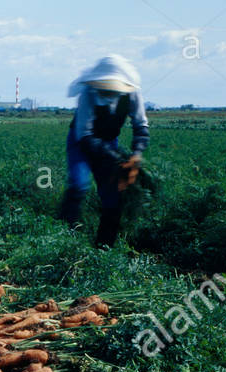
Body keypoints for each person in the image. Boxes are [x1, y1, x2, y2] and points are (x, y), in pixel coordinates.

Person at [60, 54, 149, 246]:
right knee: (79, 184)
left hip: (109, 142)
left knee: (113, 193)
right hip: (80, 141)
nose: (108, 93)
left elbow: (141, 126)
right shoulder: (88, 93)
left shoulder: (132, 94)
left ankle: (104, 246)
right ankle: (67, 234)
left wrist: (135, 156)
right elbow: (85, 135)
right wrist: (116, 159)